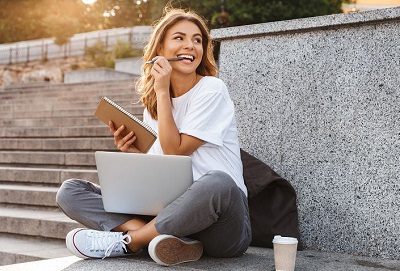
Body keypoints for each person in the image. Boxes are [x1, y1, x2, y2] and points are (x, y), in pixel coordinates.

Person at [56, 8, 251, 266]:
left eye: (197, 40)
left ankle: (131, 241)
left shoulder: (212, 89)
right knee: (70, 191)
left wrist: (161, 90)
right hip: (170, 212)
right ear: (161, 47)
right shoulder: (154, 105)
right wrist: (137, 156)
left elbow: (175, 151)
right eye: (179, 38)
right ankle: (166, 240)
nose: (190, 46)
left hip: (223, 225)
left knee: (218, 182)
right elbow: (165, 169)